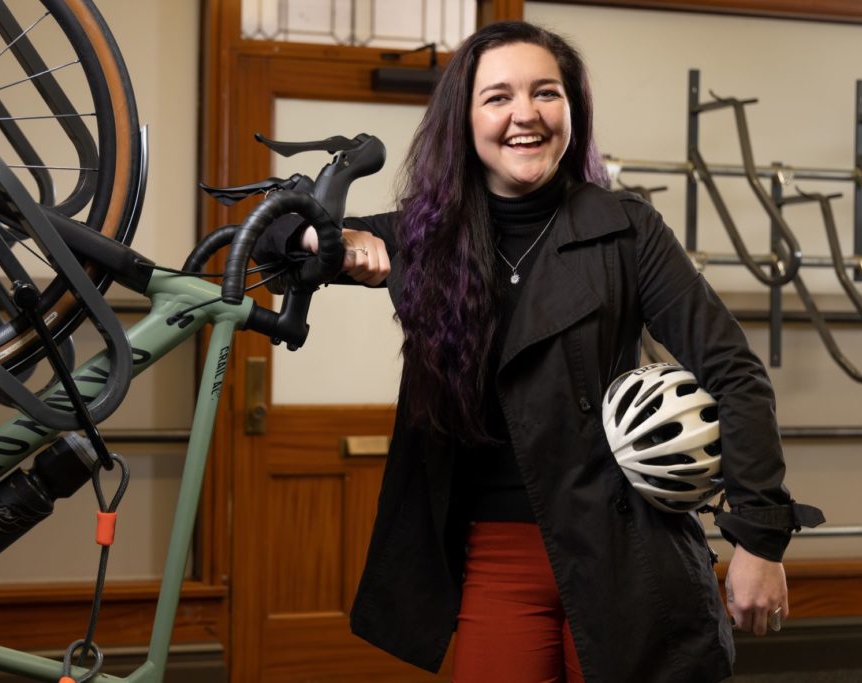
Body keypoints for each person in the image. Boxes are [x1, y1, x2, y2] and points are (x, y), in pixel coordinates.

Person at [253, 20, 822, 683]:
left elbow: (735, 372)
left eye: (545, 93)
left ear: (570, 109)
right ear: (464, 119)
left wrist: (758, 534)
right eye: (498, 97)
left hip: (630, 546)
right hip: (496, 554)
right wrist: (318, 239)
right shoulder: (423, 235)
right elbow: (263, 234)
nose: (525, 114)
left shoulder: (626, 229)